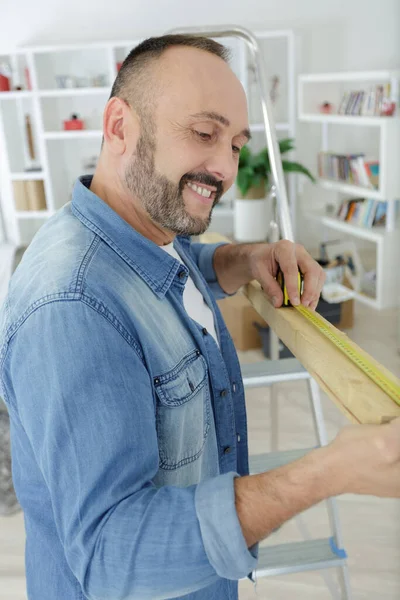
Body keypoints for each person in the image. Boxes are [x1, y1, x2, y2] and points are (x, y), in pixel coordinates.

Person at [0, 34, 399, 600]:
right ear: (119, 127)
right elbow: (114, 555)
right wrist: (326, 473)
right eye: (203, 133)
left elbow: (174, 266)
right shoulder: (72, 308)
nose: (224, 168)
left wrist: (243, 259)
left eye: (236, 144)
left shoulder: (140, 227)